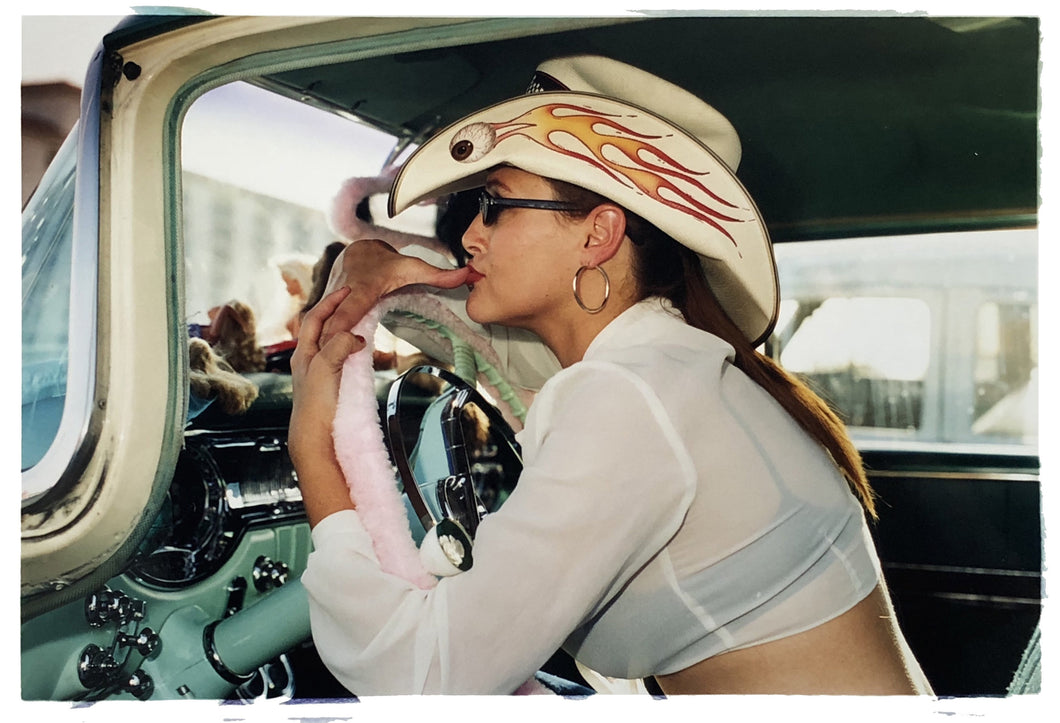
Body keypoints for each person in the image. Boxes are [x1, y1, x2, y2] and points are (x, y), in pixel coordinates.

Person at [289, 55, 933, 695]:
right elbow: (471, 330)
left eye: (495, 206)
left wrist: (315, 451)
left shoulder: (633, 396)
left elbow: (420, 675)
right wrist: (370, 259)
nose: (471, 238)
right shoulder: (667, 363)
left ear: (598, 233)